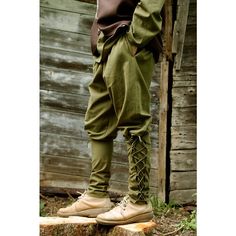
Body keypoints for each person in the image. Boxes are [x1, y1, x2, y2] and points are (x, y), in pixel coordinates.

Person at [57, 0, 165, 225]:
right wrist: (98, 38)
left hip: (129, 37)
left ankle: (138, 201)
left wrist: (137, 35)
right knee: (97, 120)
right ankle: (97, 194)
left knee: (134, 120)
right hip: (105, 40)